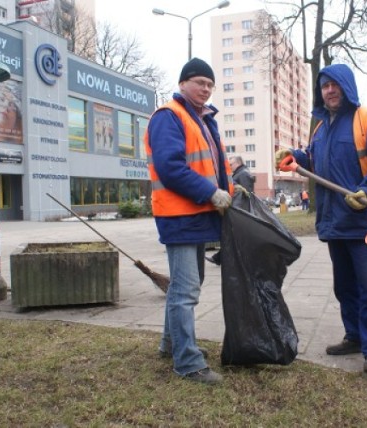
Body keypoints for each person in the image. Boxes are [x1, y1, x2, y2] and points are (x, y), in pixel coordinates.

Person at [275, 64, 367, 376]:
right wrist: (295, 157)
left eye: (334, 85)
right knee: (345, 287)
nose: (329, 91)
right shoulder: (321, 128)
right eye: (324, 86)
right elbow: (315, 160)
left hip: (366, 221)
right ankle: (355, 336)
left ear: (347, 86)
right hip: (336, 223)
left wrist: (365, 191)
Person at [144, 57, 234, 385]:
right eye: (200, 82)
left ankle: (171, 345)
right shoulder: (170, 116)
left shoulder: (203, 119)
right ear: (183, 84)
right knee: (185, 291)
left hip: (196, 214)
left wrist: (226, 194)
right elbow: (171, 168)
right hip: (180, 215)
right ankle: (188, 362)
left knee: (185, 287)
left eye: (210, 85)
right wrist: (211, 193)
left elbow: (216, 166)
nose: (206, 89)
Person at [206, 155, 255, 265]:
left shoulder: (243, 174)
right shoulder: (241, 173)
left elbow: (245, 194)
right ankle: (219, 258)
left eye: (231, 164)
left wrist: (235, 210)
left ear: (238, 163)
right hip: (240, 210)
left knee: (234, 236)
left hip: (240, 211)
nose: (230, 166)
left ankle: (220, 258)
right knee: (234, 237)